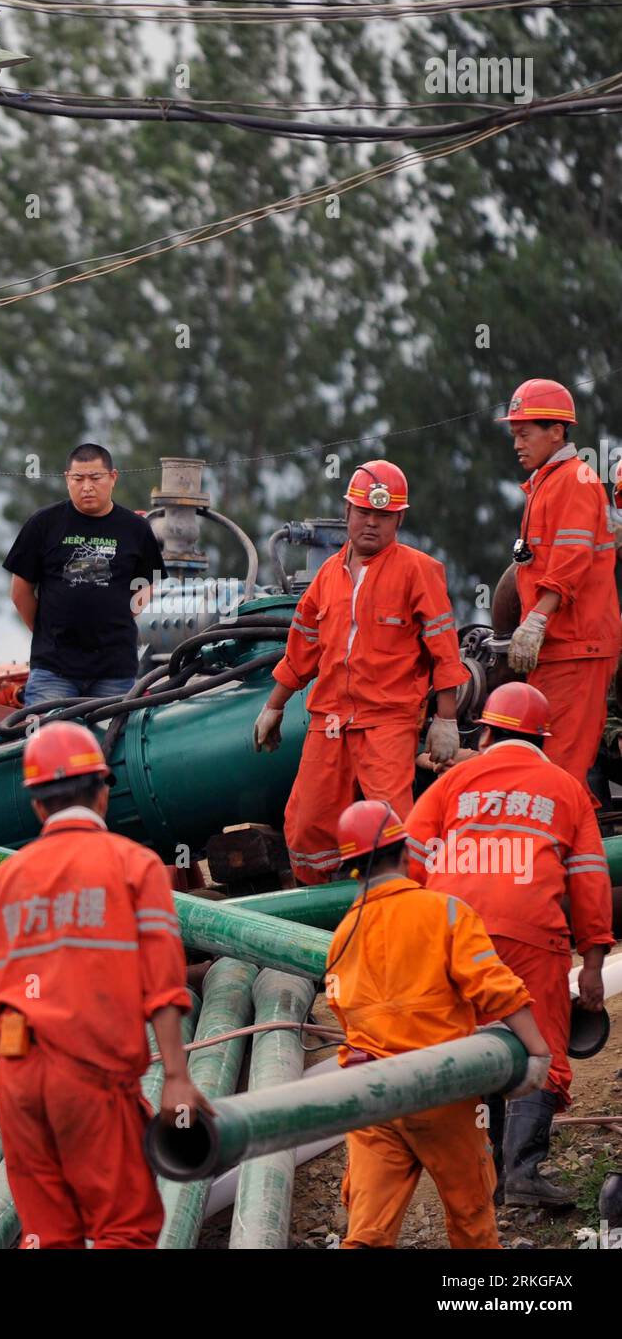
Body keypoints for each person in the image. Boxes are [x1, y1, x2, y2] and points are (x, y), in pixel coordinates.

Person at [0, 720, 210, 1250]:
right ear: (103, 793)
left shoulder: (5, 879)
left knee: (49, 1234)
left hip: (19, 1081)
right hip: (92, 1077)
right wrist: (175, 1077)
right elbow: (165, 986)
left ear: (34, 806)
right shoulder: (135, 867)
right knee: (125, 1227)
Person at [406, 681, 614, 1207]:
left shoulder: (456, 781)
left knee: (468, 1042)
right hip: (528, 931)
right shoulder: (565, 789)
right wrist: (592, 964)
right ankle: (521, 1172)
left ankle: (481, 1172)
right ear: (542, 741)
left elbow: (407, 853)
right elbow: (590, 882)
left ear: (489, 729)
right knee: (540, 1044)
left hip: (448, 928)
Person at [326, 800, 550, 1249]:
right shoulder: (445, 912)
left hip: (372, 1100)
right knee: (471, 1218)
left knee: (366, 1234)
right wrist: (537, 1052)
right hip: (441, 1090)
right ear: (406, 851)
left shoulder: (341, 935)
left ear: (349, 868)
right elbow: (495, 987)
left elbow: (343, 1013)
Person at [254, 460, 468, 883]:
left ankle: (411, 906)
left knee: (395, 826)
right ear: (347, 513)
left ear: (399, 519)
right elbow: (301, 649)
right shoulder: (327, 576)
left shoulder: (417, 571)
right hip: (329, 719)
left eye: (383, 516)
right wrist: (273, 706)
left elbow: (445, 652)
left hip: (387, 720)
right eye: (364, 513)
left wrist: (446, 719)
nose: (372, 524)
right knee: (306, 824)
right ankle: (320, 924)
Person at [499, 378, 620, 791]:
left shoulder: (575, 480)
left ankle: (569, 850)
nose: (517, 444)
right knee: (545, 771)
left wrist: (534, 621)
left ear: (556, 432)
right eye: (514, 434)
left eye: (524, 433)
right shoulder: (547, 484)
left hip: (578, 649)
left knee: (556, 776)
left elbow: (572, 561)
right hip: (559, 649)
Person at [4, 443, 165, 706]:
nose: (86, 486)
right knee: (50, 742)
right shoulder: (43, 524)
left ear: (113, 478)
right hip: (53, 671)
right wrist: (47, 631)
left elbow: (144, 588)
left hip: (115, 671)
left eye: (95, 478)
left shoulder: (136, 529)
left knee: (112, 743)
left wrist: (108, 620)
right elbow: (20, 592)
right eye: (78, 479)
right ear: (68, 479)